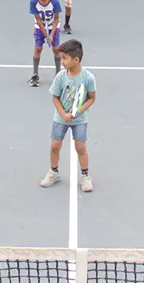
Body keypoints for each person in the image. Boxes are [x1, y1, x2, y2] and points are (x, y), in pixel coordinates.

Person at [40, 39, 96, 193]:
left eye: (65, 58)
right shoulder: (60, 77)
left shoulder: (88, 78)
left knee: (81, 148)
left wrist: (78, 111)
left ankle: (85, 176)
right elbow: (55, 97)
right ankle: (54, 172)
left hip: (80, 120)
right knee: (55, 146)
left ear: (76, 60)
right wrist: (63, 114)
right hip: (60, 119)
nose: (61, 61)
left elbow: (92, 97)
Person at [28, 0, 63, 87]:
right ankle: (35, 74)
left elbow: (56, 18)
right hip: (40, 27)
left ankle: (58, 74)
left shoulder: (54, 1)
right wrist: (45, 34)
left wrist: (51, 34)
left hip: (53, 27)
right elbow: (38, 19)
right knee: (38, 48)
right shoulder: (33, 1)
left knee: (56, 49)